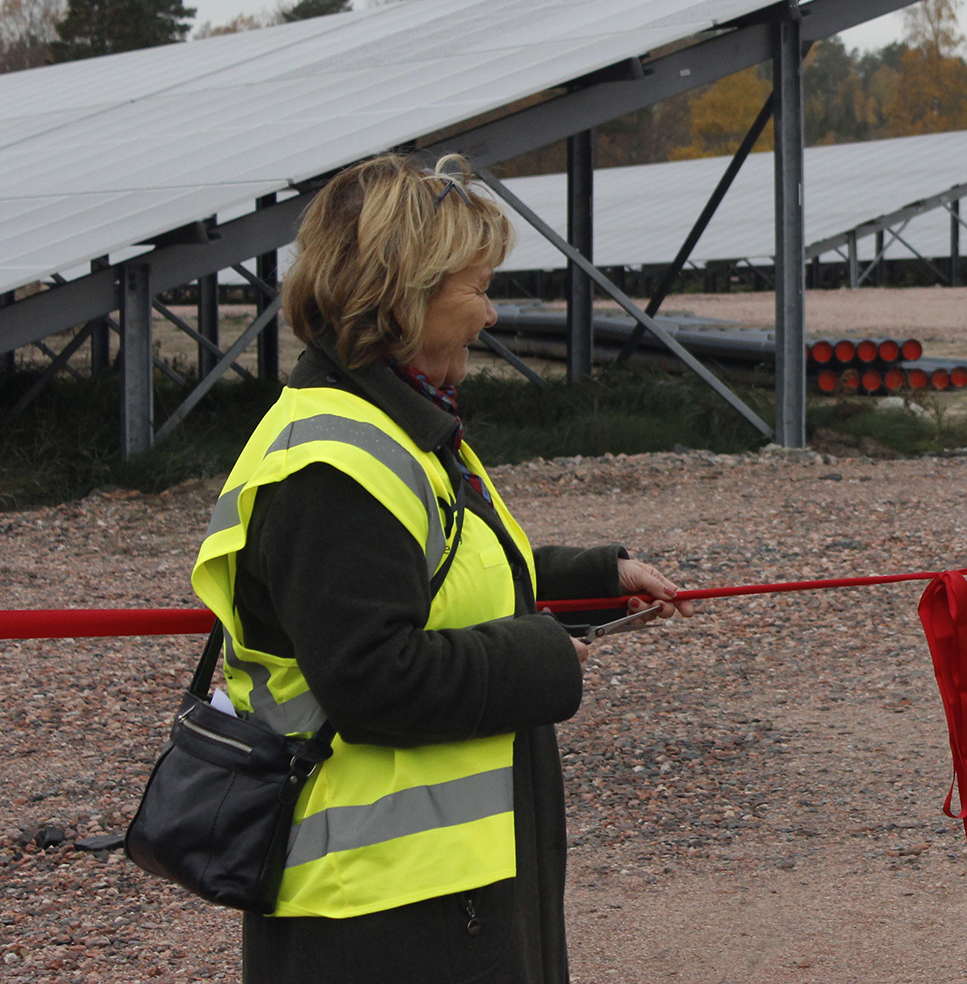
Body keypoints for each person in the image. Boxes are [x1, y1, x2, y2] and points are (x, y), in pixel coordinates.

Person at [191, 153, 690, 983]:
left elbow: (439, 574)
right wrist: (541, 657)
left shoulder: (393, 424)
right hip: (379, 916)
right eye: (477, 286)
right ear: (404, 291)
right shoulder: (332, 465)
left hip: (437, 894)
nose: (491, 314)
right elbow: (373, 673)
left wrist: (596, 576)